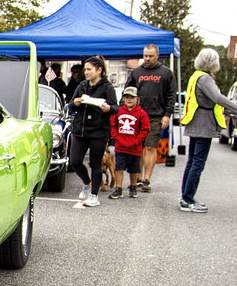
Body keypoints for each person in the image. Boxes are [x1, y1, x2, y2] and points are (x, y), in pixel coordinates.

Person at [178, 48, 237, 212]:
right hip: (203, 125)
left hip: (196, 122)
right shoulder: (205, 78)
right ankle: (188, 199)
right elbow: (217, 98)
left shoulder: (196, 76)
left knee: (192, 161)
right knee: (198, 162)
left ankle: (185, 196)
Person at [68, 55, 119, 207]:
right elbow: (70, 105)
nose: (86, 72)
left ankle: (94, 195)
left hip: (98, 131)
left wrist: (108, 108)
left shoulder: (107, 87)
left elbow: (115, 107)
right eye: (85, 70)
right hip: (80, 129)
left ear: (99, 70)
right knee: (75, 161)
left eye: (89, 69)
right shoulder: (82, 86)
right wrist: (75, 103)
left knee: (96, 164)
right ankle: (86, 182)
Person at [124, 44, 176, 192]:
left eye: (151, 56)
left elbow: (171, 95)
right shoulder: (136, 72)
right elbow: (126, 92)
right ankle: (138, 178)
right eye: (145, 56)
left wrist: (167, 114)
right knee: (137, 148)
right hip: (137, 115)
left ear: (157, 56)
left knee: (151, 147)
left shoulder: (166, 73)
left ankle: (147, 179)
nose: (147, 59)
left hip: (156, 116)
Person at [108, 86, 150, 199]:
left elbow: (145, 129)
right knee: (118, 168)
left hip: (134, 148)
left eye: (132, 97)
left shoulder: (141, 113)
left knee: (133, 169)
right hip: (120, 146)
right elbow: (113, 126)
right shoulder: (118, 111)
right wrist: (117, 138)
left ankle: (133, 186)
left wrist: (137, 141)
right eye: (127, 97)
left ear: (137, 99)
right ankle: (118, 188)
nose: (129, 99)